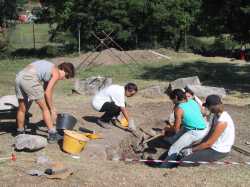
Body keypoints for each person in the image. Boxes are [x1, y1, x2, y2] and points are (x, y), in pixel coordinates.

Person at [15, 60, 75, 143]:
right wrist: (52, 109)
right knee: (45, 109)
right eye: (66, 77)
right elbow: (47, 93)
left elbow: (45, 92)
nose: (63, 79)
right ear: (65, 70)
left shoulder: (50, 69)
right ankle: (52, 134)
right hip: (29, 78)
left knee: (22, 108)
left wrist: (50, 106)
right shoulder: (56, 72)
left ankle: (20, 132)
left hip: (19, 76)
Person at [156, 89, 209, 168]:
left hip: (195, 133)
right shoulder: (192, 102)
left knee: (174, 148)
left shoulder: (179, 109)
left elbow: (176, 129)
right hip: (204, 128)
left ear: (176, 97)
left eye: (172, 99)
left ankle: (164, 166)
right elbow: (200, 113)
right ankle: (171, 140)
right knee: (184, 128)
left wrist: (167, 129)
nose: (172, 102)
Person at [179, 95, 235, 166]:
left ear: (213, 106)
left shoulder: (222, 121)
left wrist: (191, 150)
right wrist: (199, 145)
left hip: (218, 150)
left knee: (183, 161)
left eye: (208, 107)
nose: (207, 108)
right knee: (183, 151)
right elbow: (210, 133)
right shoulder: (216, 116)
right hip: (212, 146)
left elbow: (209, 143)